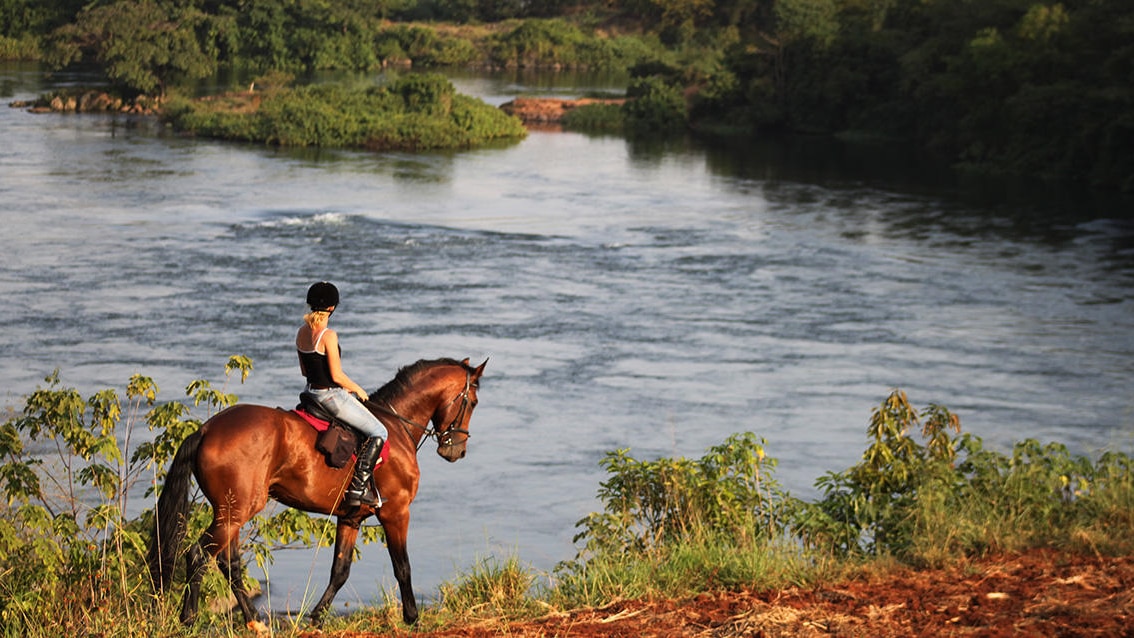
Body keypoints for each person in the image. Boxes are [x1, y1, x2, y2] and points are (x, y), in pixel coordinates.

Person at [297, 281, 387, 507]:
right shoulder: (328, 335)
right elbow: (337, 376)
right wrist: (357, 388)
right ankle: (358, 488)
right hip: (329, 396)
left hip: (310, 392)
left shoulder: (301, 332)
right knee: (379, 431)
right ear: (332, 308)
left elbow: (304, 371)